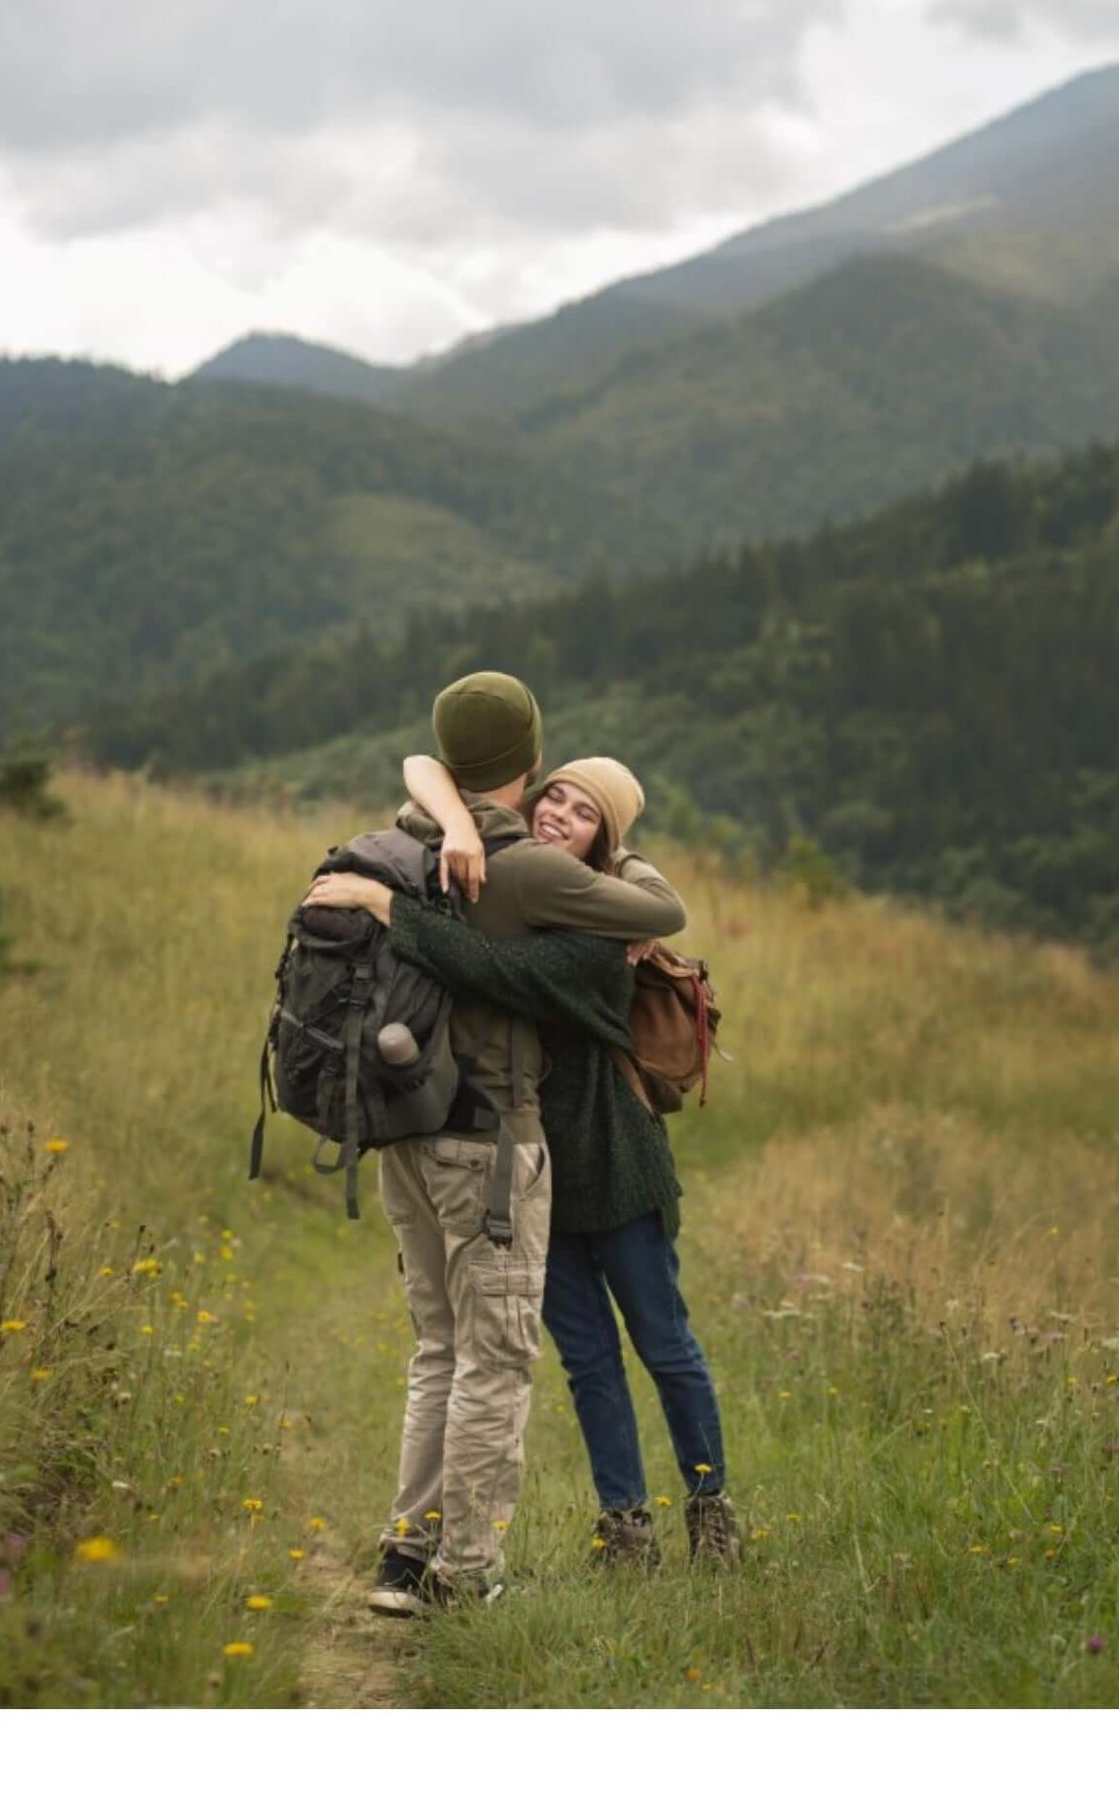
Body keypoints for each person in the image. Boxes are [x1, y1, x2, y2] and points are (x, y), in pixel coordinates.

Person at [304, 673, 687, 1615]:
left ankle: (406, 1551)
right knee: (494, 1356)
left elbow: (417, 765)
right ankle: (465, 1571)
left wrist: (452, 813)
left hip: (400, 1131)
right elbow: (660, 913)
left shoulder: (401, 836)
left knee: (437, 1346)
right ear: (530, 763)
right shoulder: (525, 871)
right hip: (488, 1142)